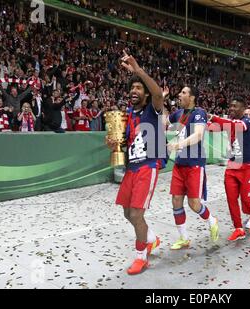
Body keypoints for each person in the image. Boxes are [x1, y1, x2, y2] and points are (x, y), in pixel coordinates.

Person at [106, 50, 166, 275]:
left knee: (136, 215)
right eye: (132, 87)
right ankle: (151, 238)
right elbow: (122, 145)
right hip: (131, 168)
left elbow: (158, 93)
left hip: (148, 166)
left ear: (146, 94)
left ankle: (141, 257)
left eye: (138, 88)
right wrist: (113, 145)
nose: (133, 91)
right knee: (126, 212)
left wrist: (138, 69)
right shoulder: (128, 114)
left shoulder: (154, 109)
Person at [167, 86, 219, 250]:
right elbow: (163, 121)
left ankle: (211, 220)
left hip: (194, 163)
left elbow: (198, 135)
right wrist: (159, 99)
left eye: (183, 92)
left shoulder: (199, 113)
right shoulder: (178, 114)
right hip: (179, 164)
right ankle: (184, 238)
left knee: (194, 204)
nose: (179, 95)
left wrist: (178, 145)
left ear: (193, 97)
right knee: (176, 200)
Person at [208, 97, 250, 240]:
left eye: (235, 106)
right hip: (232, 167)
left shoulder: (247, 121)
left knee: (246, 200)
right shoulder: (230, 123)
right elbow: (211, 128)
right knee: (231, 199)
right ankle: (238, 228)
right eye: (230, 106)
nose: (231, 108)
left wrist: (213, 117)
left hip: (246, 167)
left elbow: (233, 125)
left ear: (243, 109)